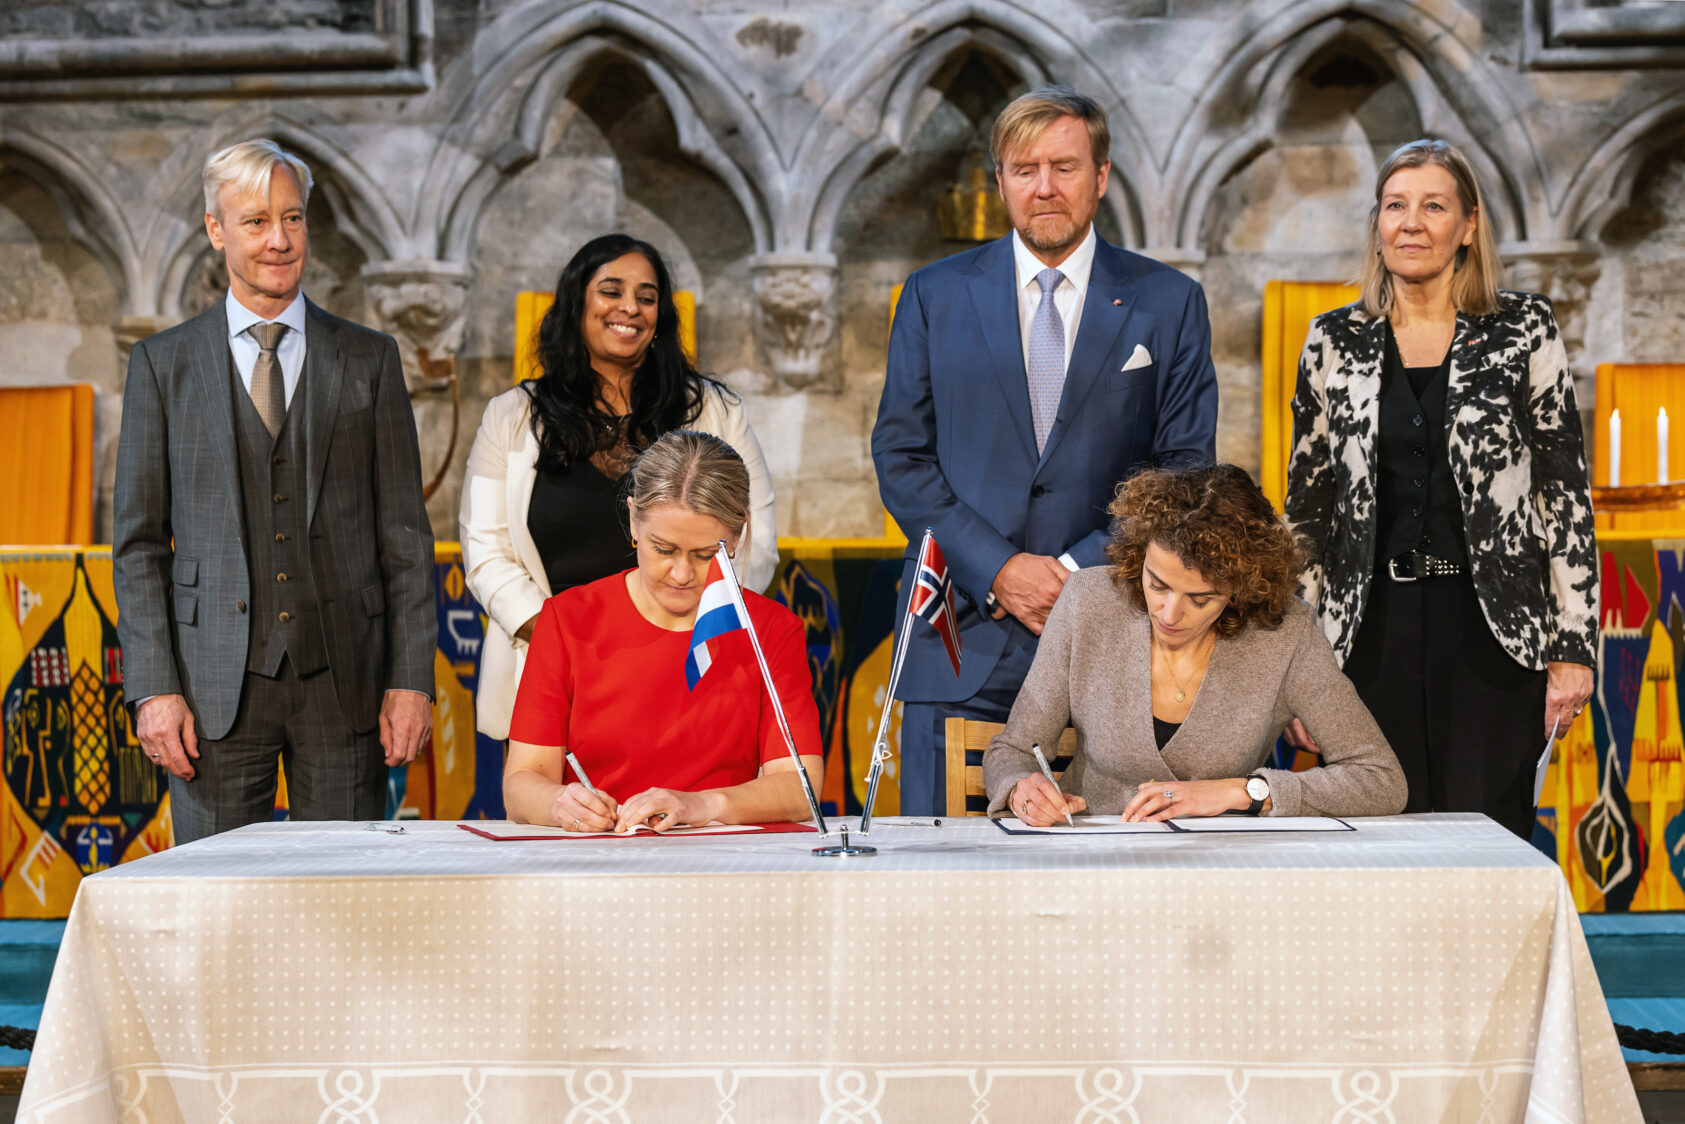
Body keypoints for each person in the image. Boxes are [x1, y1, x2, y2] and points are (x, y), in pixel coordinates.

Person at [872, 85, 1219, 815]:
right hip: (959, 630)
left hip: (1114, 638)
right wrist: (999, 569)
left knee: (1107, 891)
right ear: (999, 181)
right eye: (1023, 169)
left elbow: (1182, 469)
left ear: (1100, 177)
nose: (1044, 188)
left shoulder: (1167, 301)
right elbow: (901, 456)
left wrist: (1072, 571)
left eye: (1064, 167)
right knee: (943, 885)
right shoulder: (932, 297)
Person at [113, 139, 435, 844]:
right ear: (216, 229)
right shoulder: (162, 365)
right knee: (221, 905)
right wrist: (154, 688)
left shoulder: (369, 358)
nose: (280, 240)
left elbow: (406, 540)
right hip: (211, 688)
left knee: (342, 903)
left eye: (293, 218)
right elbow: (138, 546)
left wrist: (410, 680)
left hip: (344, 683)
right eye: (256, 221)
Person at [1285, 138, 1597, 840]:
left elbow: (1565, 494)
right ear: (1376, 224)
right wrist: (1295, 668)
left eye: (1433, 206)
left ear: (1468, 225)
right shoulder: (1332, 339)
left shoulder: (1522, 329)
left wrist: (1573, 645)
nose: (1411, 223)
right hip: (1367, 637)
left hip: (1491, 638)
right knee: (1374, 843)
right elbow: (1305, 513)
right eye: (1394, 206)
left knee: (1489, 840)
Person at [460, 234, 778, 743]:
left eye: (647, 297)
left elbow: (755, 542)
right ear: (576, 305)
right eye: (611, 290)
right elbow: (485, 550)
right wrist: (559, 642)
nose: (630, 306)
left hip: (686, 670)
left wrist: (685, 636)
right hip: (553, 676)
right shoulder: (510, 416)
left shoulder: (717, 411)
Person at [985, 466, 1406, 824]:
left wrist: (1244, 792)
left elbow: (1380, 778)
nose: (1169, 614)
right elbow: (1013, 751)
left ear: (1242, 589)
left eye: (1201, 599)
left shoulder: (1286, 632)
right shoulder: (1088, 601)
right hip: (1094, 868)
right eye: (1157, 584)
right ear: (1139, 558)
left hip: (1224, 877)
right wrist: (1023, 790)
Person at [502, 430, 821, 832]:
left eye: (706, 554)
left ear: (738, 536)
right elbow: (522, 784)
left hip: (724, 863)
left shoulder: (770, 630)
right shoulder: (567, 620)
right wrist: (559, 804)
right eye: (664, 549)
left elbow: (799, 786)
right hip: (594, 861)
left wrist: (702, 805)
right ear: (634, 519)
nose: (683, 574)